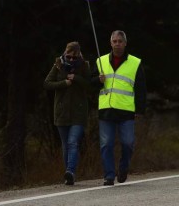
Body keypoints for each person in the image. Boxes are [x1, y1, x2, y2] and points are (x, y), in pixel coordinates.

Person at [95, 30, 146, 186]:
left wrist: (140, 109)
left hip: (126, 111)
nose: (117, 44)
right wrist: (98, 80)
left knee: (128, 143)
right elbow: (90, 83)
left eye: (120, 41)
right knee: (106, 144)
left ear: (125, 43)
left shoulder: (135, 63)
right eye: (114, 41)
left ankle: (123, 168)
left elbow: (141, 88)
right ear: (110, 43)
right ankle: (109, 175)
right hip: (106, 110)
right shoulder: (100, 61)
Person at [43, 41, 91, 185]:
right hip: (61, 112)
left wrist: (76, 78)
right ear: (65, 54)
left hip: (78, 113)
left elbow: (89, 84)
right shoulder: (58, 65)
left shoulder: (84, 66)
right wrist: (64, 83)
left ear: (79, 56)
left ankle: (70, 171)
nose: (71, 60)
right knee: (65, 144)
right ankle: (68, 175)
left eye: (74, 58)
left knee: (73, 142)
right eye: (68, 57)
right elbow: (47, 83)